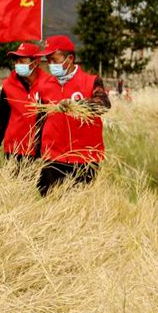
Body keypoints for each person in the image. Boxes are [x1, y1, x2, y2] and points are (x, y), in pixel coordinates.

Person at [34, 35, 111, 196]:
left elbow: (103, 104)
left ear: (69, 59)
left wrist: (74, 105)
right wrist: (36, 152)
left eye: (54, 59)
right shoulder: (44, 85)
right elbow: (40, 119)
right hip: (53, 157)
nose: (50, 65)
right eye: (48, 61)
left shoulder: (91, 81)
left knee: (80, 206)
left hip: (84, 158)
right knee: (49, 205)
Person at [0, 42, 44, 169]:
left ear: (36, 62)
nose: (18, 65)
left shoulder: (48, 83)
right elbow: (2, 118)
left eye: (22, 61)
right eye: (16, 61)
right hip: (14, 150)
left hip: (41, 150)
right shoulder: (8, 85)